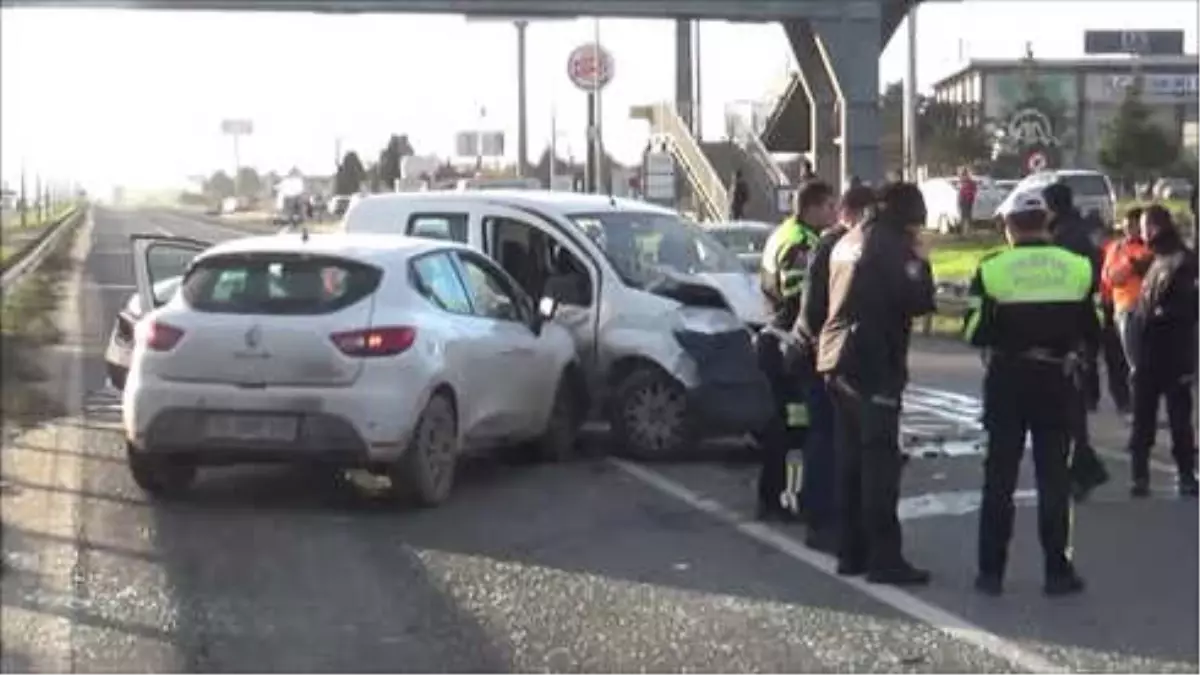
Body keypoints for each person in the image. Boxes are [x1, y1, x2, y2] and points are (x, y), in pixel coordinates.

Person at [964, 189, 1095, 597]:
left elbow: (973, 331)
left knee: (999, 478)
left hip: (1007, 378)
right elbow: (1093, 327)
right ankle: (1057, 572)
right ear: (1046, 223)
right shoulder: (1077, 267)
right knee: (1054, 479)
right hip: (1055, 379)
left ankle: (991, 574)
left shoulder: (992, 269)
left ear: (1009, 228)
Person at [818, 181, 936, 585]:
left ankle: (851, 552)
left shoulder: (848, 239)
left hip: (837, 357)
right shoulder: (890, 246)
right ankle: (885, 558)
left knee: (850, 462)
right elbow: (918, 298)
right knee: (880, 465)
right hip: (872, 362)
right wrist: (922, 261)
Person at [794, 184, 876, 552]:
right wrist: (820, 349)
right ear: (856, 213)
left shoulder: (835, 245)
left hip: (824, 352)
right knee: (827, 440)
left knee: (828, 438)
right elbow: (814, 308)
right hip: (822, 356)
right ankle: (821, 520)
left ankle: (826, 517)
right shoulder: (835, 246)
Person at [754, 181, 837, 521]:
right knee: (796, 429)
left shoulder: (784, 232)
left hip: (778, 340)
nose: (833, 213)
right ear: (813, 207)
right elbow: (799, 295)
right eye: (830, 206)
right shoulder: (801, 243)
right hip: (789, 345)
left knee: (787, 426)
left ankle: (776, 497)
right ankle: (785, 498)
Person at [1125, 205, 1200, 497]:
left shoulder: (1182, 261)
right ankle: (1139, 476)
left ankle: (1184, 474)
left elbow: (1184, 310)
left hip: (1172, 351)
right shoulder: (1157, 259)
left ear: (1154, 228)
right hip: (1149, 352)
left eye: (1143, 227)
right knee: (1144, 417)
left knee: (1178, 418)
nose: (1140, 233)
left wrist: (1153, 318)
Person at [1043, 182, 1110, 500]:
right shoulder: (1083, 232)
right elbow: (1097, 274)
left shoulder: (1060, 238)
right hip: (1084, 320)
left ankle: (1080, 468)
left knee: (1066, 402)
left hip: (1067, 325)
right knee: (1073, 400)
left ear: (1051, 207)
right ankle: (1079, 465)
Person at [1101, 207, 1152, 376]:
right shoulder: (1116, 248)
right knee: (1133, 363)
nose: (1128, 230)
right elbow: (1110, 277)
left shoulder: (1153, 246)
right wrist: (1131, 264)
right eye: (1126, 226)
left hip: (1151, 309)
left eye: (1133, 226)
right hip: (1125, 308)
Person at [957, 167, 977, 231]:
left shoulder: (967, 181)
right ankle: (966, 229)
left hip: (966, 200)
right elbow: (974, 190)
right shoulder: (966, 181)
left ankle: (966, 229)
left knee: (966, 216)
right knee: (966, 215)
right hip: (965, 200)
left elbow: (974, 190)